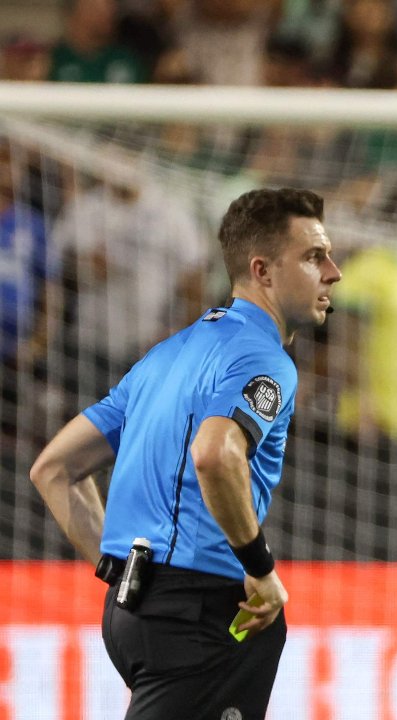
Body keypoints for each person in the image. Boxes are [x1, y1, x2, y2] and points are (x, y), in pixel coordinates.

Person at [28, 188, 342, 719]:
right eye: (314, 257)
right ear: (262, 271)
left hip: (137, 613)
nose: (333, 271)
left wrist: (120, 572)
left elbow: (54, 469)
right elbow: (217, 454)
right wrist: (260, 569)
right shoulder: (264, 360)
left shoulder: (165, 355)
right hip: (202, 611)